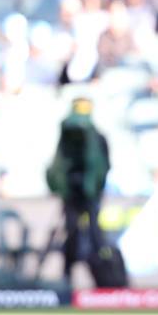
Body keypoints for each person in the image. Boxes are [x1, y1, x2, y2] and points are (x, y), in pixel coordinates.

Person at [46, 98, 110, 282]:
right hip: (72, 194)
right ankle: (67, 275)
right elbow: (59, 165)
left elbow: (102, 167)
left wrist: (93, 186)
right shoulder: (66, 137)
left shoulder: (97, 138)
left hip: (91, 195)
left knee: (95, 235)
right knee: (72, 232)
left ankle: (105, 278)